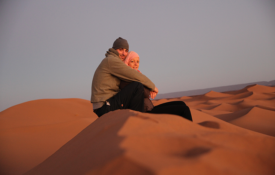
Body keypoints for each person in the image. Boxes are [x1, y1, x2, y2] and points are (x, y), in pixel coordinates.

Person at [91, 37, 158, 117]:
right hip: (104, 105)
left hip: (107, 103)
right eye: (121, 49)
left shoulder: (111, 60)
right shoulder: (111, 60)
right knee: (137, 86)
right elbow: (133, 75)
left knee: (135, 90)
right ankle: (137, 119)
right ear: (114, 49)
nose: (124, 53)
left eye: (126, 50)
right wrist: (153, 87)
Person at [122, 51, 193, 121]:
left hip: (150, 108)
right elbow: (145, 93)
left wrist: (149, 88)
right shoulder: (127, 78)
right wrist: (150, 89)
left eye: (137, 61)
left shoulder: (138, 76)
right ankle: (191, 131)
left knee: (181, 103)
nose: (135, 64)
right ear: (127, 62)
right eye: (132, 61)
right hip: (145, 112)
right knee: (184, 109)